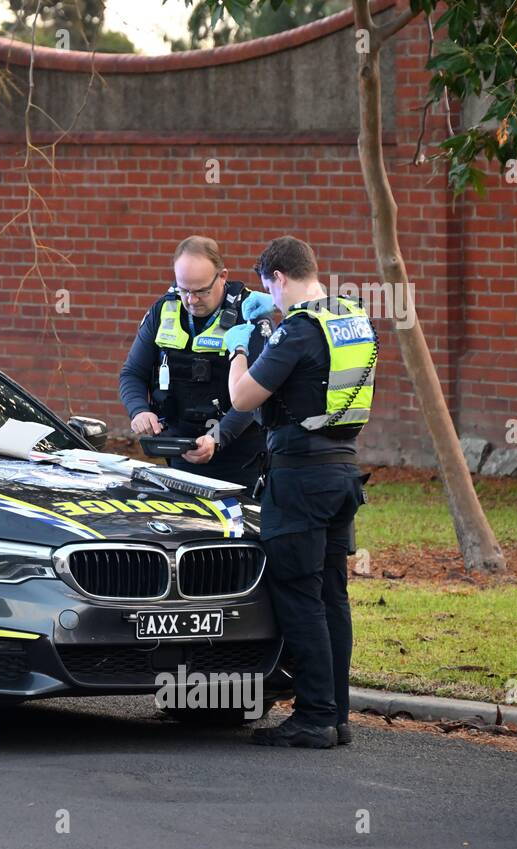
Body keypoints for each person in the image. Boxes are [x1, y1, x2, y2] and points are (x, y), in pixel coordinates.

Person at [223, 236, 376, 749]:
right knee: (334, 594)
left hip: (301, 478)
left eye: (270, 287)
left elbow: (243, 398)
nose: (271, 297)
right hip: (343, 472)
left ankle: (314, 717)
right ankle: (337, 715)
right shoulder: (351, 319)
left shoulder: (297, 330)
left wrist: (242, 345)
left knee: (299, 594)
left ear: (279, 278)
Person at [119, 236, 273, 490]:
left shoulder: (250, 315)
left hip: (242, 459)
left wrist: (217, 438)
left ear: (222, 276)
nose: (191, 300)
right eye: (184, 290)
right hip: (182, 452)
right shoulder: (163, 311)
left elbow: (258, 391)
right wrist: (139, 409)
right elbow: (132, 373)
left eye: (201, 291)